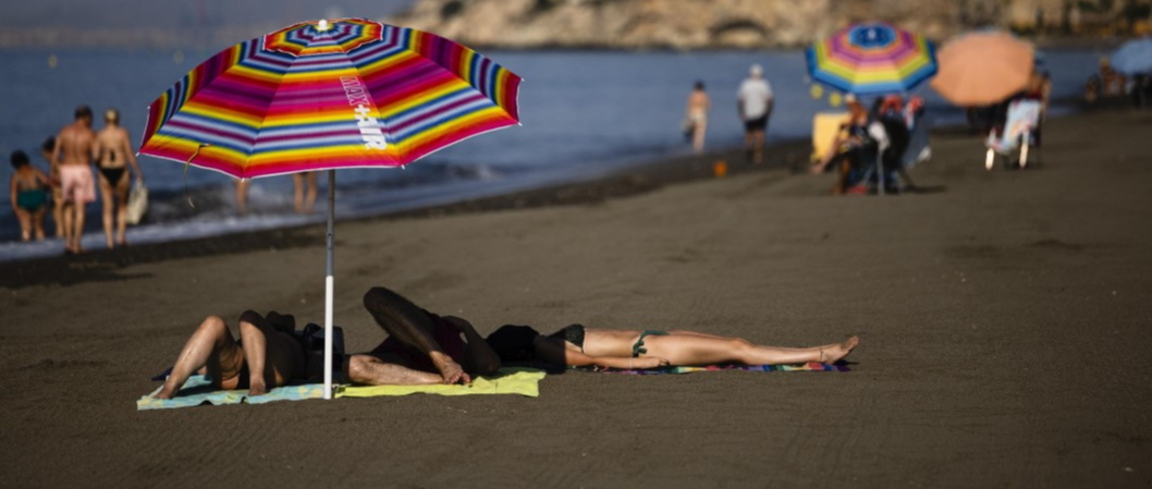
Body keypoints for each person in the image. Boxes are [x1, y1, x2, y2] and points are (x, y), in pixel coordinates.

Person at [486, 323, 859, 370]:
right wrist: (649, 364)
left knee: (739, 344)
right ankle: (820, 353)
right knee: (739, 347)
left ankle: (818, 348)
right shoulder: (545, 346)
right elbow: (596, 359)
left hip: (653, 338)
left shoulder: (545, 341)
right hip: (647, 349)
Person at [345, 287, 501, 386]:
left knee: (374, 296)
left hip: (425, 356)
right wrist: (465, 327)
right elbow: (489, 364)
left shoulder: (463, 352)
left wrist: (467, 327)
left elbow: (490, 365)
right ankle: (441, 365)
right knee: (352, 367)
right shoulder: (453, 341)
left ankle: (442, 365)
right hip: (421, 351)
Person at [156, 310, 320, 399]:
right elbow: (316, 369)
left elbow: (203, 369)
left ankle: (170, 386)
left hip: (238, 376)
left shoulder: (289, 340)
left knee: (236, 320)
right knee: (224, 322)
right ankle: (257, 384)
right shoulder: (290, 342)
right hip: (262, 371)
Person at [93, 108, 144, 248]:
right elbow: (128, 152)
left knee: (107, 207)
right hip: (121, 169)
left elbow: (96, 156)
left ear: (105, 120)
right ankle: (121, 237)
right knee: (122, 206)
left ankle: (110, 241)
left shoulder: (100, 134)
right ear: (117, 119)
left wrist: (100, 164)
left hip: (105, 170)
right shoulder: (122, 133)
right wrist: (138, 171)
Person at [51, 105, 97, 254]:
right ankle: (77, 244)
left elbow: (55, 154)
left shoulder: (64, 131)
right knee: (80, 208)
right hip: (82, 169)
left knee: (68, 206)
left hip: (66, 169)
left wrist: (53, 171)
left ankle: (68, 242)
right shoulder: (89, 134)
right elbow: (96, 156)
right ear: (87, 118)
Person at [9, 151, 52, 241]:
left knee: (26, 229)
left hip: (24, 201)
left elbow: (13, 193)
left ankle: (26, 248)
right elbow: (46, 182)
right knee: (39, 228)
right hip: (38, 198)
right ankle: (42, 248)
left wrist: (14, 207)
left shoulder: (15, 175)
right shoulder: (36, 170)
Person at [737, 64, 774, 164]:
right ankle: (758, 154)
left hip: (748, 112)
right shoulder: (764, 84)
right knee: (760, 133)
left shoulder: (745, 84)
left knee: (749, 132)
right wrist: (770, 111)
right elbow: (769, 100)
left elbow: (741, 100)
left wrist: (740, 112)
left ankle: (748, 147)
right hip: (761, 112)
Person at [40, 137, 63, 238]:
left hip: (59, 194)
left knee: (59, 221)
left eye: (44, 153)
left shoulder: (57, 163)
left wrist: (50, 182)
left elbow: (62, 178)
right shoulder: (58, 162)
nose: (43, 156)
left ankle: (61, 241)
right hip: (59, 193)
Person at [683, 81, 711, 154]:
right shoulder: (704, 96)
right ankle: (698, 149)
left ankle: (694, 147)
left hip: (692, 115)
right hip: (701, 115)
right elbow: (709, 106)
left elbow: (688, 107)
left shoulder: (692, 96)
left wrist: (687, 117)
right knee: (700, 133)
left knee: (692, 132)